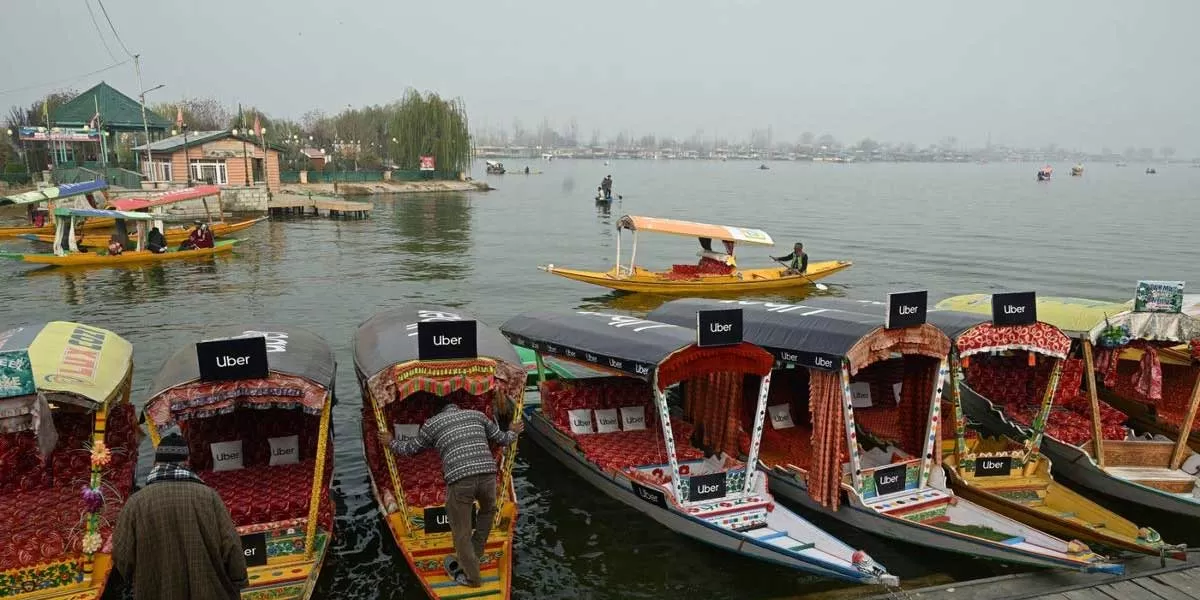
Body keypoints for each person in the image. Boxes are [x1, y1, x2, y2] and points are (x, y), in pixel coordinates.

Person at [379, 399, 524, 588]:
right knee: (487, 512)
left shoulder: (432, 423)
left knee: (461, 532)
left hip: (461, 479)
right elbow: (504, 439)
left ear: (437, 412)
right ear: (457, 407)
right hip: (489, 475)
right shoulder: (477, 415)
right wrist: (513, 430)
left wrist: (391, 442)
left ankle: (472, 578)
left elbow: (409, 449)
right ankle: (474, 553)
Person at [113, 432, 247, 600]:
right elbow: (232, 546)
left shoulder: (136, 503)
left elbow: (122, 555)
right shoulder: (209, 496)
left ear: (156, 462)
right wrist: (239, 580)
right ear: (186, 462)